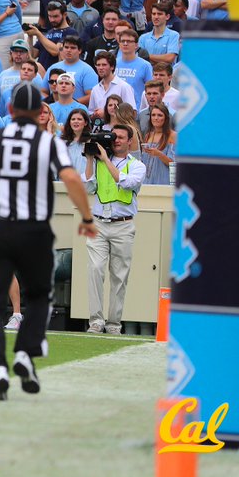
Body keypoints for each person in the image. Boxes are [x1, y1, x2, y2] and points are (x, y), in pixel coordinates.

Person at [0, 81, 97, 401]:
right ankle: (25, 353)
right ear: (39, 113)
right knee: (38, 297)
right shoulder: (47, 142)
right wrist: (87, 219)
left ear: (8, 110)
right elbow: (73, 178)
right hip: (34, 229)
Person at [83, 122, 146, 335]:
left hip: (123, 225)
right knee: (95, 271)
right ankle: (95, 321)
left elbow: (124, 182)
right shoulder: (101, 161)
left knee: (119, 277)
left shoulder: (137, 165)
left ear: (130, 141)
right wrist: (91, 158)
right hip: (99, 223)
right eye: (113, 136)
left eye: (119, 137)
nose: (115, 140)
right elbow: (88, 186)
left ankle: (113, 324)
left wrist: (104, 159)